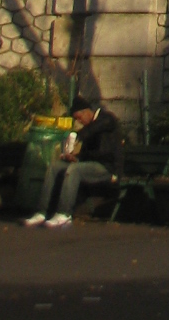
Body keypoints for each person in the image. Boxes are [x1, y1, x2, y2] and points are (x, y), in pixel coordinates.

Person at [26, 94, 125, 227]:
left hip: (108, 167)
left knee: (74, 170)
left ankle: (64, 214)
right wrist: (75, 158)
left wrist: (79, 135)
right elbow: (88, 154)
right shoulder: (90, 128)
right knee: (55, 167)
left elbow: (98, 130)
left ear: (87, 112)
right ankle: (42, 212)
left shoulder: (107, 118)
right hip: (91, 165)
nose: (79, 121)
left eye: (79, 117)